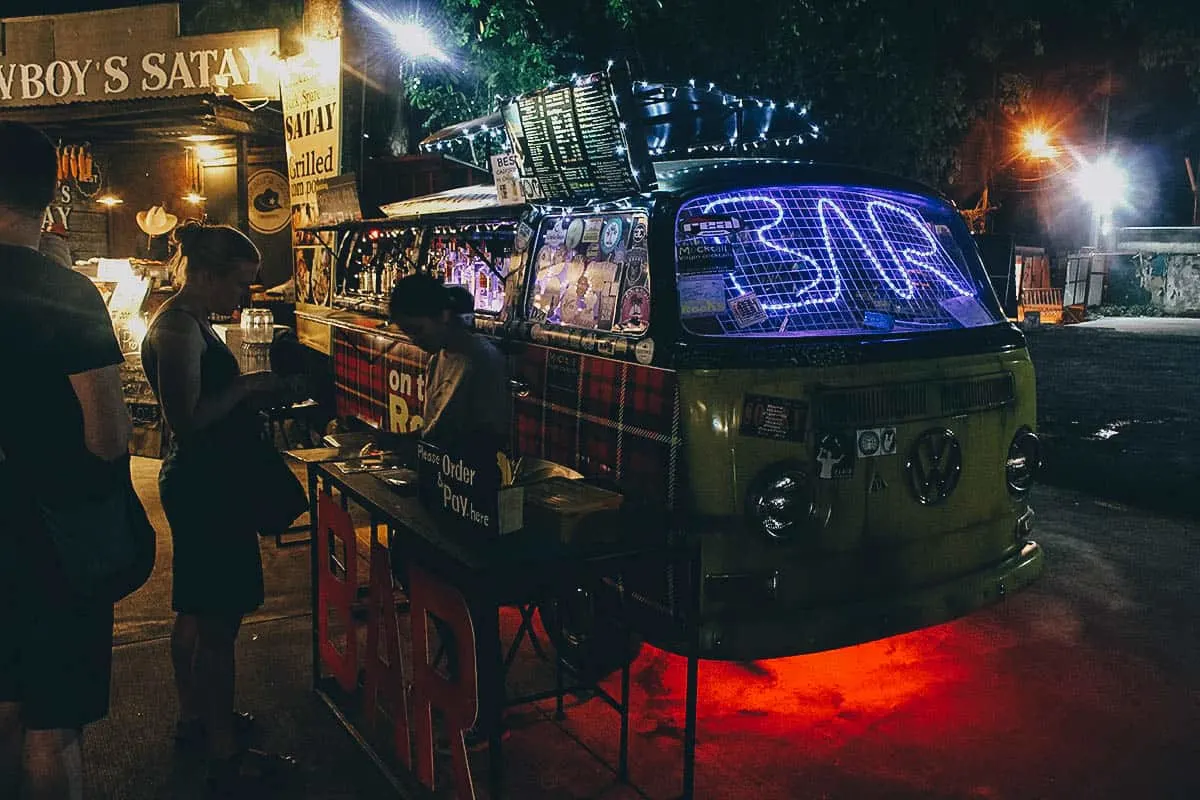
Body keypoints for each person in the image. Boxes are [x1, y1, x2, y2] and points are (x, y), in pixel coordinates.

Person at [0, 121, 133, 799]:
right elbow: (108, 436)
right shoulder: (65, 293)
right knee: (51, 728)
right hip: (51, 544)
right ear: (49, 198)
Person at [140, 221, 296, 791]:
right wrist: (249, 388)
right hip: (205, 486)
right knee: (219, 623)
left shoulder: (190, 322)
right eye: (238, 283)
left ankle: (194, 718)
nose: (243, 296)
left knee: (195, 608)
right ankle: (225, 751)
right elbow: (188, 418)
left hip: (199, 483)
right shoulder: (179, 328)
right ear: (205, 275)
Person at [388, 273, 510, 452]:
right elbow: (434, 432)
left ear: (443, 316)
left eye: (417, 330)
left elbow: (487, 437)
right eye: (408, 333)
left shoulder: (481, 359)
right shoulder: (437, 359)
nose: (414, 339)